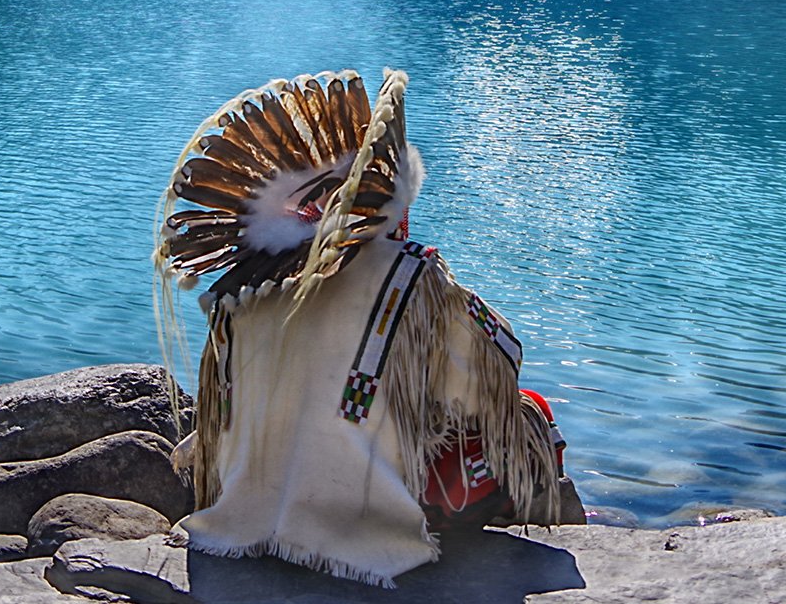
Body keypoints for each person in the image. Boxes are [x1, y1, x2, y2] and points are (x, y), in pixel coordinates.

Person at [154, 68, 566, 587]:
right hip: (361, 543)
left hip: (237, 530)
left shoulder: (239, 294)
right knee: (531, 414)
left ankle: (266, 506)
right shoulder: (412, 275)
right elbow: (498, 363)